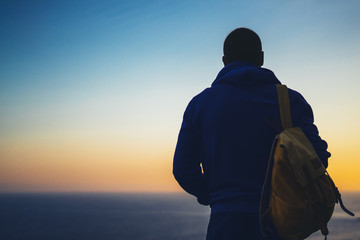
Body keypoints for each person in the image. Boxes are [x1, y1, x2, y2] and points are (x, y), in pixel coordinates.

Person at [173, 28, 330, 240]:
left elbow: (183, 169)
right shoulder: (290, 101)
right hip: (279, 223)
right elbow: (317, 159)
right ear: (261, 58)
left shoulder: (200, 105)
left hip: (225, 223)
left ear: (224, 60)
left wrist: (215, 196)